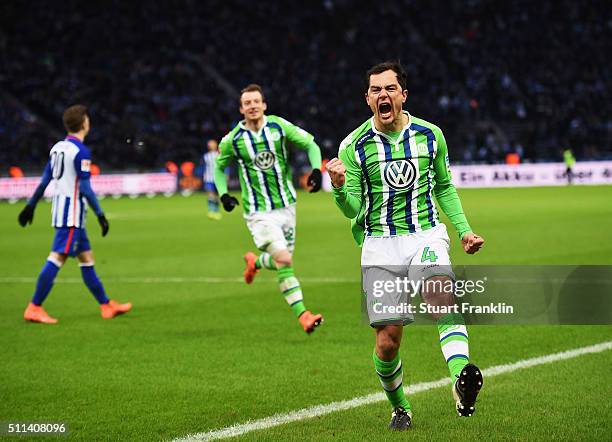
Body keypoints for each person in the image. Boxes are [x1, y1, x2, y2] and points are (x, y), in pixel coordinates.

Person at [327, 62, 485, 430]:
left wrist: (463, 230)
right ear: (367, 99)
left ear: (403, 95)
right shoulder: (354, 146)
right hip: (380, 244)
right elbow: (353, 206)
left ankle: (462, 377)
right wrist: (337, 186)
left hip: (425, 234)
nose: (383, 95)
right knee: (388, 342)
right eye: (375, 90)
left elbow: (444, 186)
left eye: (389, 88)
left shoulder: (431, 135)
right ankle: (400, 406)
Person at [214, 84, 324, 334]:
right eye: (247, 103)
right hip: (258, 211)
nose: (252, 106)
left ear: (264, 105)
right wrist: (223, 194)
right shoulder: (234, 140)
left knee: (282, 261)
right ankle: (303, 315)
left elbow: (312, 145)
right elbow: (220, 167)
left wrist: (316, 169)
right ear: (241, 109)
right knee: (284, 260)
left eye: (256, 101)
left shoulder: (278, 127)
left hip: (287, 206)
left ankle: (255, 262)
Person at [17, 104, 132, 324]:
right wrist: (100, 214)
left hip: (63, 210)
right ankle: (34, 306)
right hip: (72, 214)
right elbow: (86, 188)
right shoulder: (81, 152)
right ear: (84, 123)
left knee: (86, 258)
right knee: (57, 257)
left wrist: (30, 206)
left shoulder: (57, 148)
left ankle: (106, 305)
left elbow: (44, 181)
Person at [202, 139, 222, 220]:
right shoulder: (206, 156)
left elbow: (224, 166)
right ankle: (211, 211)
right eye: (209, 144)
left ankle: (217, 211)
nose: (211, 146)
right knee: (210, 195)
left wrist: (226, 176)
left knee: (217, 196)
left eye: (212, 144)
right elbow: (203, 167)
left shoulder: (219, 155)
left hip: (218, 179)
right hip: (208, 178)